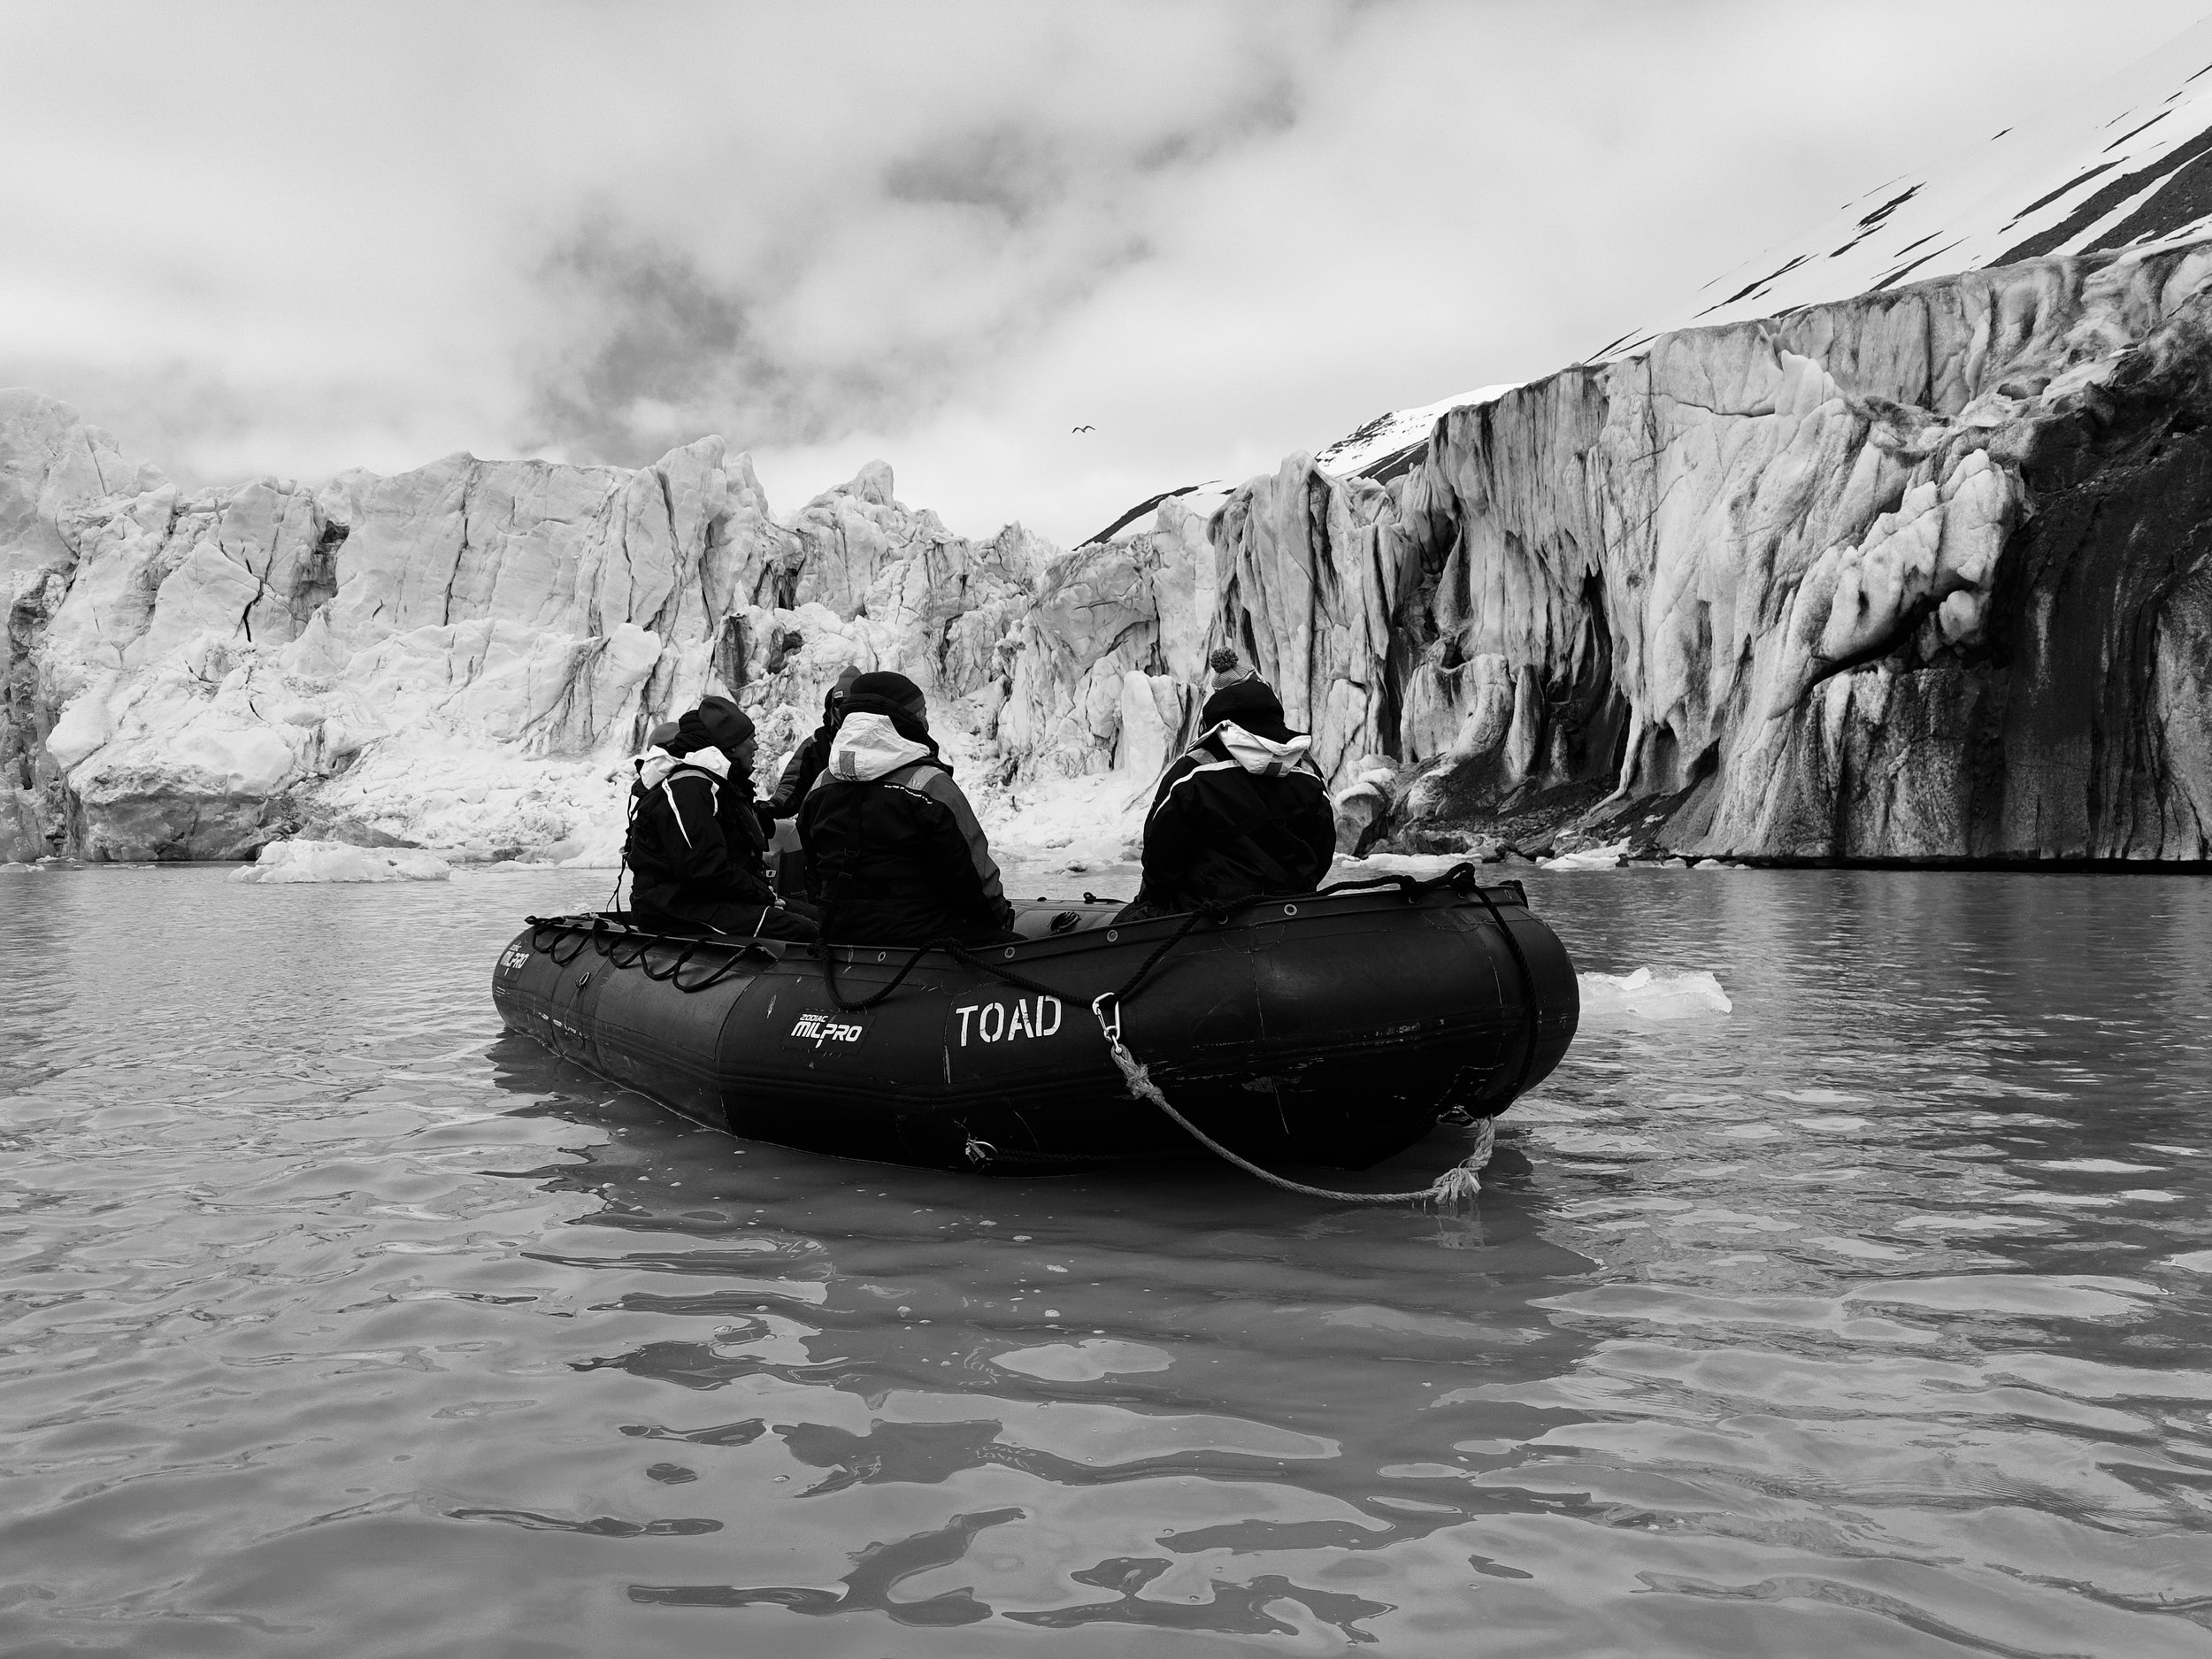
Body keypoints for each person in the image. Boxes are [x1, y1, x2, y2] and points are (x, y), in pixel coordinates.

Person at [796, 671, 1015, 945]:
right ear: (908, 719)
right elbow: (972, 877)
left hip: (842, 933)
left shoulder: (821, 785)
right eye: (921, 712)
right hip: (924, 935)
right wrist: (999, 920)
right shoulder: (930, 785)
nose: (926, 720)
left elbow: (812, 870)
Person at [1118, 662, 1335, 921]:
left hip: (1209, 913)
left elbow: (1161, 853)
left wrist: (1155, 901)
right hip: (1292, 909)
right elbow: (1323, 846)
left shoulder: (1194, 769)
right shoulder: (1305, 768)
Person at [624, 695, 818, 941]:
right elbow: (705, 870)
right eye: (751, 738)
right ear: (733, 745)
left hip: (710, 899)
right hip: (675, 908)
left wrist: (763, 893)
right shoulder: (690, 788)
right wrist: (764, 895)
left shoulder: (718, 786)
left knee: (824, 919)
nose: (756, 746)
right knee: (807, 932)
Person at [760, 664, 862, 824]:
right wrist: (773, 806)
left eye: (853, 705)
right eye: (841, 704)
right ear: (832, 707)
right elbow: (793, 784)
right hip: (827, 834)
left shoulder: (883, 740)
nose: (846, 711)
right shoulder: (817, 744)